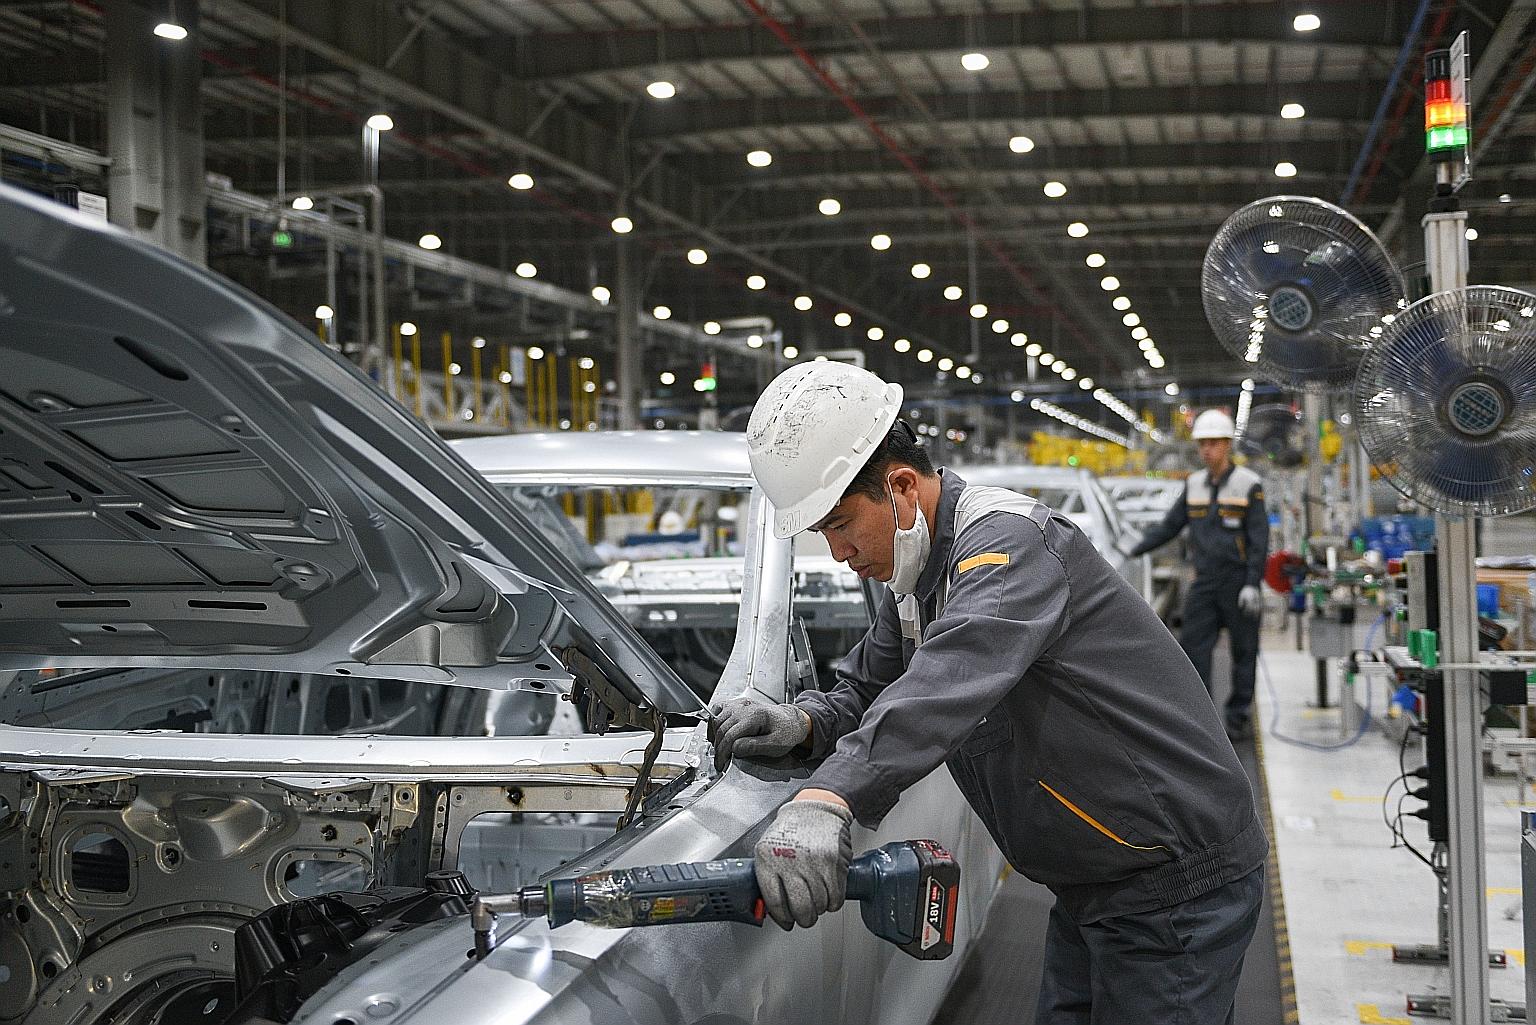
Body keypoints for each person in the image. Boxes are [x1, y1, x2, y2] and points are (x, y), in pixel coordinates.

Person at [712, 361, 1266, 1024]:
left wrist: (828, 797)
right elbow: (867, 687)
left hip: (1172, 882)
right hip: (1098, 880)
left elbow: (946, 677)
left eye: (839, 525)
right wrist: (801, 723)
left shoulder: (1005, 544)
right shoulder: (917, 581)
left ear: (901, 487)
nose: (838, 554)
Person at [1128, 409, 1269, 742]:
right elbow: (1170, 527)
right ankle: (1203, 719)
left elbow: (1259, 539)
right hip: (1204, 583)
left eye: (1214, 444)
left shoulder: (1249, 485)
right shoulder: (1193, 486)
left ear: (1227, 445)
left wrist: (1252, 584)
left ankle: (1238, 717)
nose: (1207, 450)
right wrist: (1132, 549)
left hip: (1237, 582)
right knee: (1193, 651)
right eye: (1203, 444)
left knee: (1244, 652)